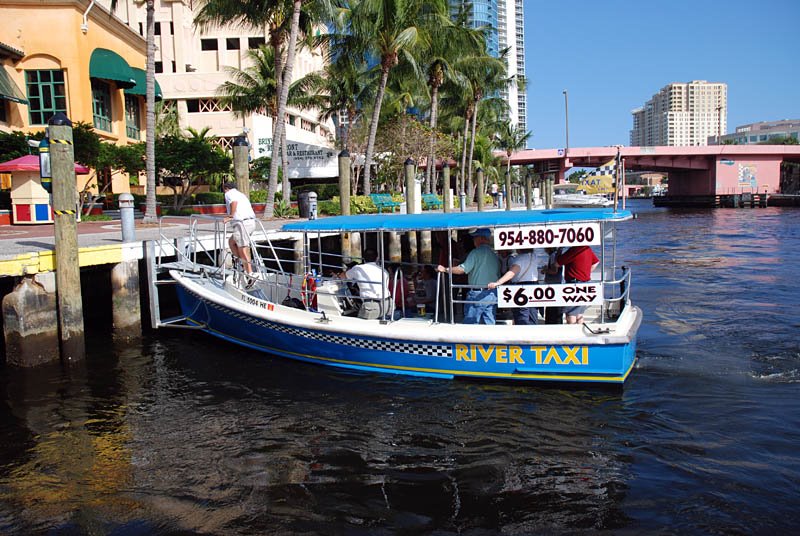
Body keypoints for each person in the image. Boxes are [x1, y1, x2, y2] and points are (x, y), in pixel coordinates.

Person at [437, 228, 500, 324]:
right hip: (492, 293)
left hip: (477, 294)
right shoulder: (494, 255)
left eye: (475, 237)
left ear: (480, 239)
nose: (473, 240)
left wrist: (445, 269)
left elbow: (463, 269)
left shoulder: (475, 253)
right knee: (490, 322)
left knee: (470, 323)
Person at [488, 247, 542, 325]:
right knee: (532, 312)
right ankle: (532, 334)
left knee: (522, 313)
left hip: (521, 287)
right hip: (534, 285)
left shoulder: (519, 258)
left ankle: (523, 334)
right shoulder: (534, 256)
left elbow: (512, 272)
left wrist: (498, 282)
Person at [555, 245, 599, 324]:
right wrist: (586, 273)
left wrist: (559, 251)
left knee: (570, 314)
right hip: (585, 284)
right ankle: (580, 334)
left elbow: (557, 263)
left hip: (574, 284)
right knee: (579, 314)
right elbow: (596, 262)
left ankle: (572, 334)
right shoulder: (587, 248)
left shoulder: (574, 250)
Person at [344, 248, 392, 319]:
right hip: (388, 304)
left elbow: (343, 277)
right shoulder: (384, 271)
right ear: (377, 258)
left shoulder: (358, 268)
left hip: (371, 307)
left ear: (363, 258)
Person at [223, 181, 256, 276]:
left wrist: (230, 216)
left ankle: (249, 273)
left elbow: (234, 203)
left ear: (226, 188)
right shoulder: (240, 194)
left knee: (242, 247)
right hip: (250, 222)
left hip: (242, 224)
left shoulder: (229, 193)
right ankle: (243, 265)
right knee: (232, 242)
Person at [541, 247, 564, 324]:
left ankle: (551, 323)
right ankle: (556, 322)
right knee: (556, 307)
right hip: (557, 282)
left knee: (551, 307)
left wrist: (545, 270)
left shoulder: (553, 256)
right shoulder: (556, 255)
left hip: (553, 284)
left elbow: (554, 271)